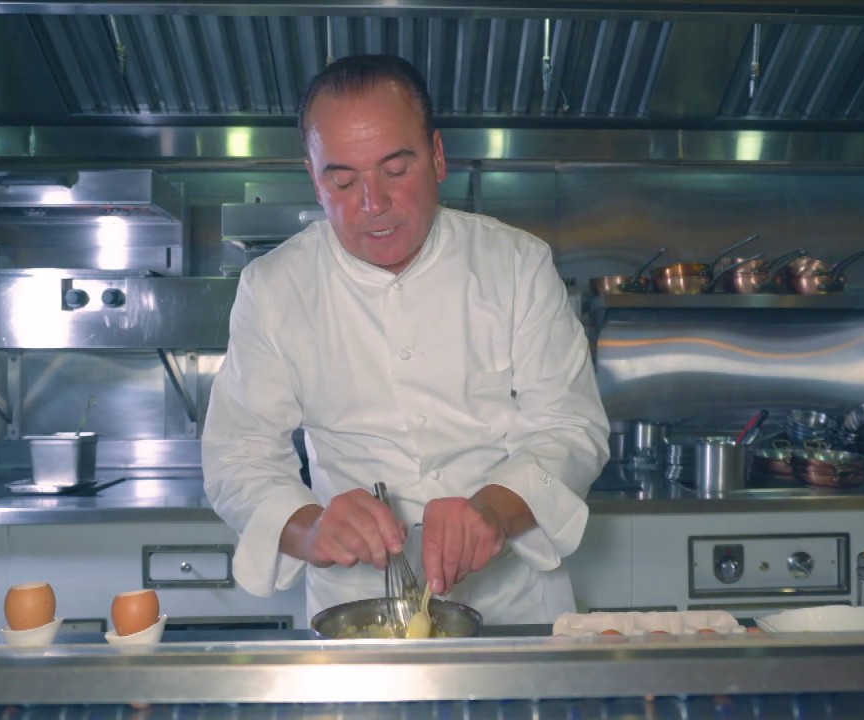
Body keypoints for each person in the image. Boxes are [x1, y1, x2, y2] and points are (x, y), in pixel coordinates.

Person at [202, 54, 609, 625]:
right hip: (353, 609)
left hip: (512, 609)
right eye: (343, 180)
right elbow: (237, 455)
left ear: (437, 157)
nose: (373, 205)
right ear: (315, 181)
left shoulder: (515, 263)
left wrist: (494, 510)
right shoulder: (274, 288)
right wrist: (310, 526)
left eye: (395, 170)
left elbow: (572, 427)